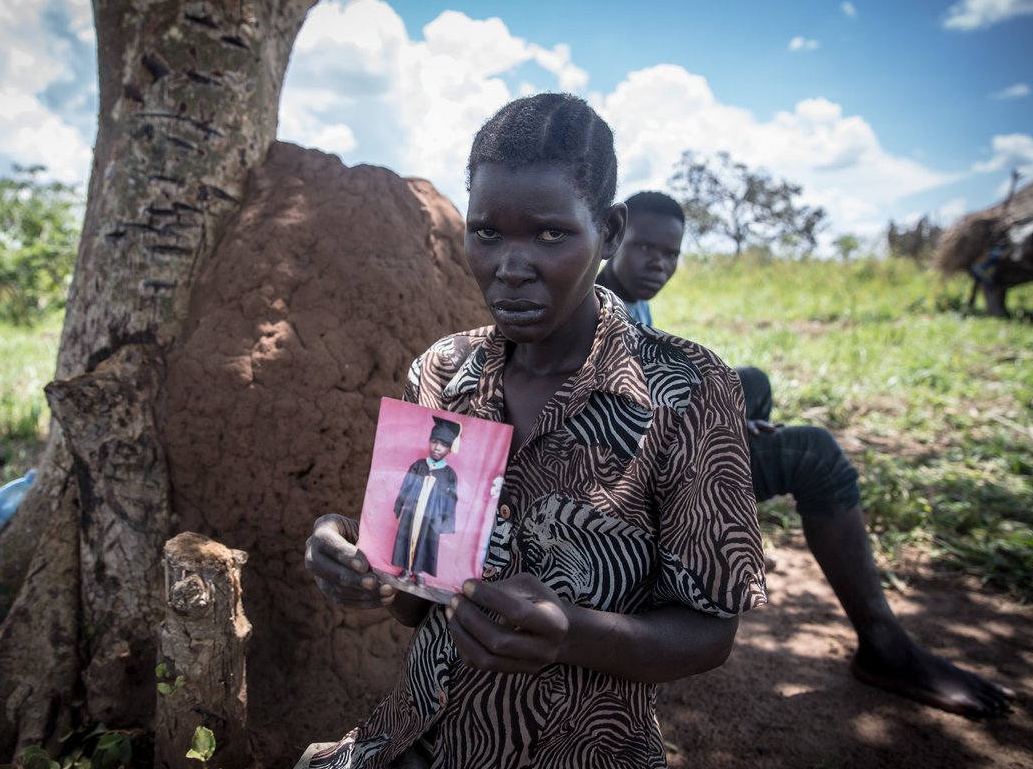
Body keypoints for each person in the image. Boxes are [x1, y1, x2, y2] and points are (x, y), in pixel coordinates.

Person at [302, 94, 766, 769]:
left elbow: (708, 635)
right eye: (488, 232)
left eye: (549, 234)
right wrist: (358, 561)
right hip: (411, 740)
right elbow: (414, 603)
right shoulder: (442, 372)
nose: (511, 265)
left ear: (607, 229)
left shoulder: (688, 391)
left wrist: (571, 634)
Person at [598, 189, 1016, 718]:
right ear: (613, 239)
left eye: (671, 253)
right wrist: (716, 434)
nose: (659, 262)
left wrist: (726, 416)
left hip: (657, 449)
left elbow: (657, 384)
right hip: (626, 479)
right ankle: (882, 643)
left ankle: (709, 539)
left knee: (747, 382)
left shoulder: (632, 298)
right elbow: (614, 422)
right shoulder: (599, 306)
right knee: (814, 454)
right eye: (644, 248)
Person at [391, 416, 461, 582]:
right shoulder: (419, 465)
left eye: (443, 445)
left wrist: (446, 521)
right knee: (408, 537)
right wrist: (399, 505)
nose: (437, 448)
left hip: (432, 517)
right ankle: (407, 570)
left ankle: (420, 573)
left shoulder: (449, 474)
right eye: (434, 442)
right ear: (429, 442)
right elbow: (405, 486)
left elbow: (452, 500)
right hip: (412, 512)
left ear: (449, 449)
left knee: (426, 542)